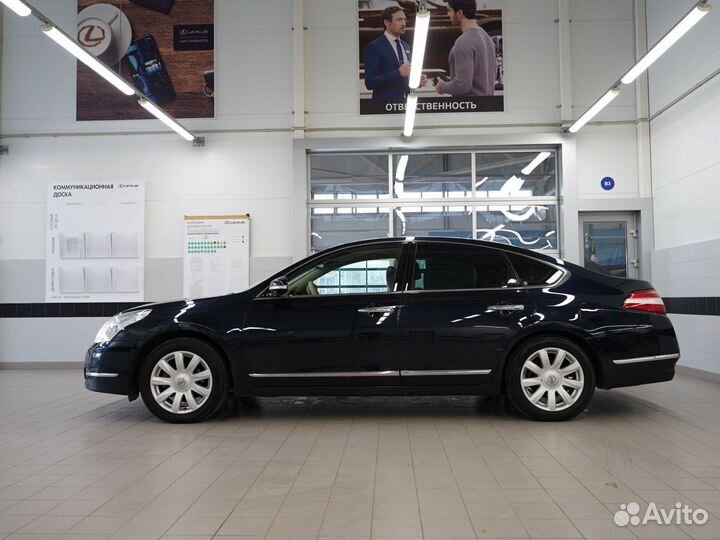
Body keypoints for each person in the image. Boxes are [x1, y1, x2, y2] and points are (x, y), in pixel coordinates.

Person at [434, 0, 496, 97]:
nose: (448, 14)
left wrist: (442, 86)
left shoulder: (463, 41)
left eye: (449, 10)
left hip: (468, 107)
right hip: (485, 105)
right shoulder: (487, 38)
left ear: (459, 13)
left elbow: (462, 86)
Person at [364, 6, 412, 100]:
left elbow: (404, 78)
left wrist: (417, 81)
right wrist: (398, 73)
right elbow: (370, 83)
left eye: (404, 20)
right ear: (387, 23)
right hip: (385, 107)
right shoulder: (375, 47)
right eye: (399, 19)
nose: (404, 23)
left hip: (406, 105)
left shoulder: (406, 46)